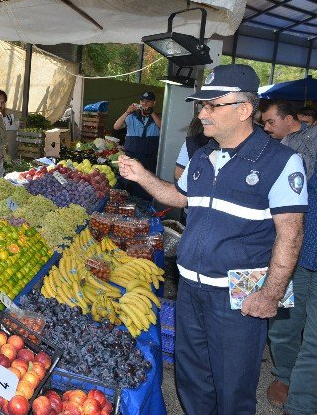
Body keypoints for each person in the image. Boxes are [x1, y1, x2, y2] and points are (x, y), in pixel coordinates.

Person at [118, 64, 307, 415]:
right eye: (201, 105)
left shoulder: (281, 162)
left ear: (244, 110)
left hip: (238, 294)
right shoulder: (203, 155)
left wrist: (271, 295)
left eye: (211, 105)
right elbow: (180, 197)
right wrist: (142, 176)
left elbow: (291, 235)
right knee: (192, 379)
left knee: (233, 384)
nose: (202, 113)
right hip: (190, 287)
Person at [261, 99, 317, 415]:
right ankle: (283, 375)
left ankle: (300, 405)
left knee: (314, 341)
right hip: (294, 253)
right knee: (283, 324)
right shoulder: (300, 146)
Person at [113, 91, 161, 198]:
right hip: (131, 158)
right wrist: (127, 112)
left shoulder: (158, 118)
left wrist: (151, 113)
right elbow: (116, 126)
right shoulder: (131, 117)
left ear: (154, 103)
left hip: (149, 159)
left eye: (148, 101)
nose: (145, 104)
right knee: (127, 185)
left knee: (145, 188)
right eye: (142, 101)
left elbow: (163, 127)